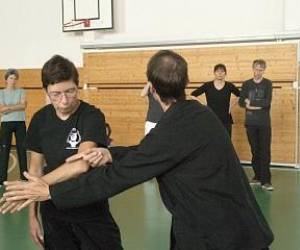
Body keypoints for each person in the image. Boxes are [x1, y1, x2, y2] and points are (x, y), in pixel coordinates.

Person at [1, 51, 273, 250]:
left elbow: (117, 176)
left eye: (69, 91)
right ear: (185, 83)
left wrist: (49, 190)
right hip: (226, 229)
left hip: (222, 236)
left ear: (152, 90)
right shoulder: (197, 114)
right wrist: (112, 153)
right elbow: (150, 150)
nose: (63, 99)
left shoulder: (173, 126)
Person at [2, 55, 122, 249]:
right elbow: (35, 169)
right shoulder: (40, 120)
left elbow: (81, 164)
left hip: (90, 210)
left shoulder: (91, 116)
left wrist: (30, 190)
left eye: (70, 91)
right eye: (56, 94)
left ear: (77, 86)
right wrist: (32, 217)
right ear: (46, 91)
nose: (64, 100)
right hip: (53, 213)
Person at [239, 59, 273, 191]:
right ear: (252, 68)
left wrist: (250, 104)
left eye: (261, 69)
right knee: (255, 150)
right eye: (256, 69)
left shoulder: (268, 84)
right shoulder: (247, 84)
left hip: (264, 123)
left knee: (264, 151)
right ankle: (257, 176)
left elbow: (267, 103)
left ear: (264, 70)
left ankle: (266, 180)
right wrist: (253, 105)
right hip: (250, 123)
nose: (258, 72)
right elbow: (242, 102)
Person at [191, 64, 240, 137]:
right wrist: (204, 104)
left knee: (226, 141)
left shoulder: (229, 86)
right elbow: (192, 95)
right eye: (218, 71)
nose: (220, 73)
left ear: (225, 73)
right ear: (214, 73)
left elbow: (241, 95)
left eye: (222, 71)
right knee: (212, 141)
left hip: (226, 119)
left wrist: (231, 105)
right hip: (211, 118)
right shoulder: (208, 85)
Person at [0, 69, 27, 186]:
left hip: (20, 123)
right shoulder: (1, 93)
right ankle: (2, 179)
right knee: (4, 151)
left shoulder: (21, 91)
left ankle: (24, 177)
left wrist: (8, 108)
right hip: (6, 123)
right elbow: (1, 109)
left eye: (15, 78)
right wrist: (17, 106)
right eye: (11, 78)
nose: (13, 80)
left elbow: (23, 106)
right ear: (6, 79)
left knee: (22, 150)